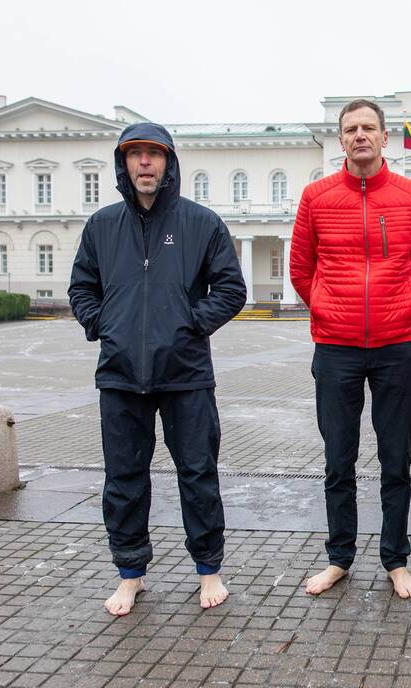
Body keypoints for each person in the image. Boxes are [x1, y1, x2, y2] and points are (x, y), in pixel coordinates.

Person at [68, 122, 247, 616]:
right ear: (123, 164)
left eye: (154, 154)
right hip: (121, 376)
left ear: (168, 163)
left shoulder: (201, 223)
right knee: (124, 478)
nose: (145, 162)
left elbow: (231, 289)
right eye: (135, 154)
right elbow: (81, 288)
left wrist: (189, 324)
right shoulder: (102, 226)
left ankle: (209, 569)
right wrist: (106, 324)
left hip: (186, 375)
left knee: (197, 474)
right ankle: (131, 574)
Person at [290, 99, 411, 599]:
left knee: (395, 459)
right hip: (336, 348)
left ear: (384, 137)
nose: (359, 135)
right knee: (339, 459)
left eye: (368, 127)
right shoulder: (316, 197)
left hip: (396, 345)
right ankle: (339, 558)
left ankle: (396, 560)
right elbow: (300, 268)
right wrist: (331, 308)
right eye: (350, 128)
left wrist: (396, 307)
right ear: (341, 140)